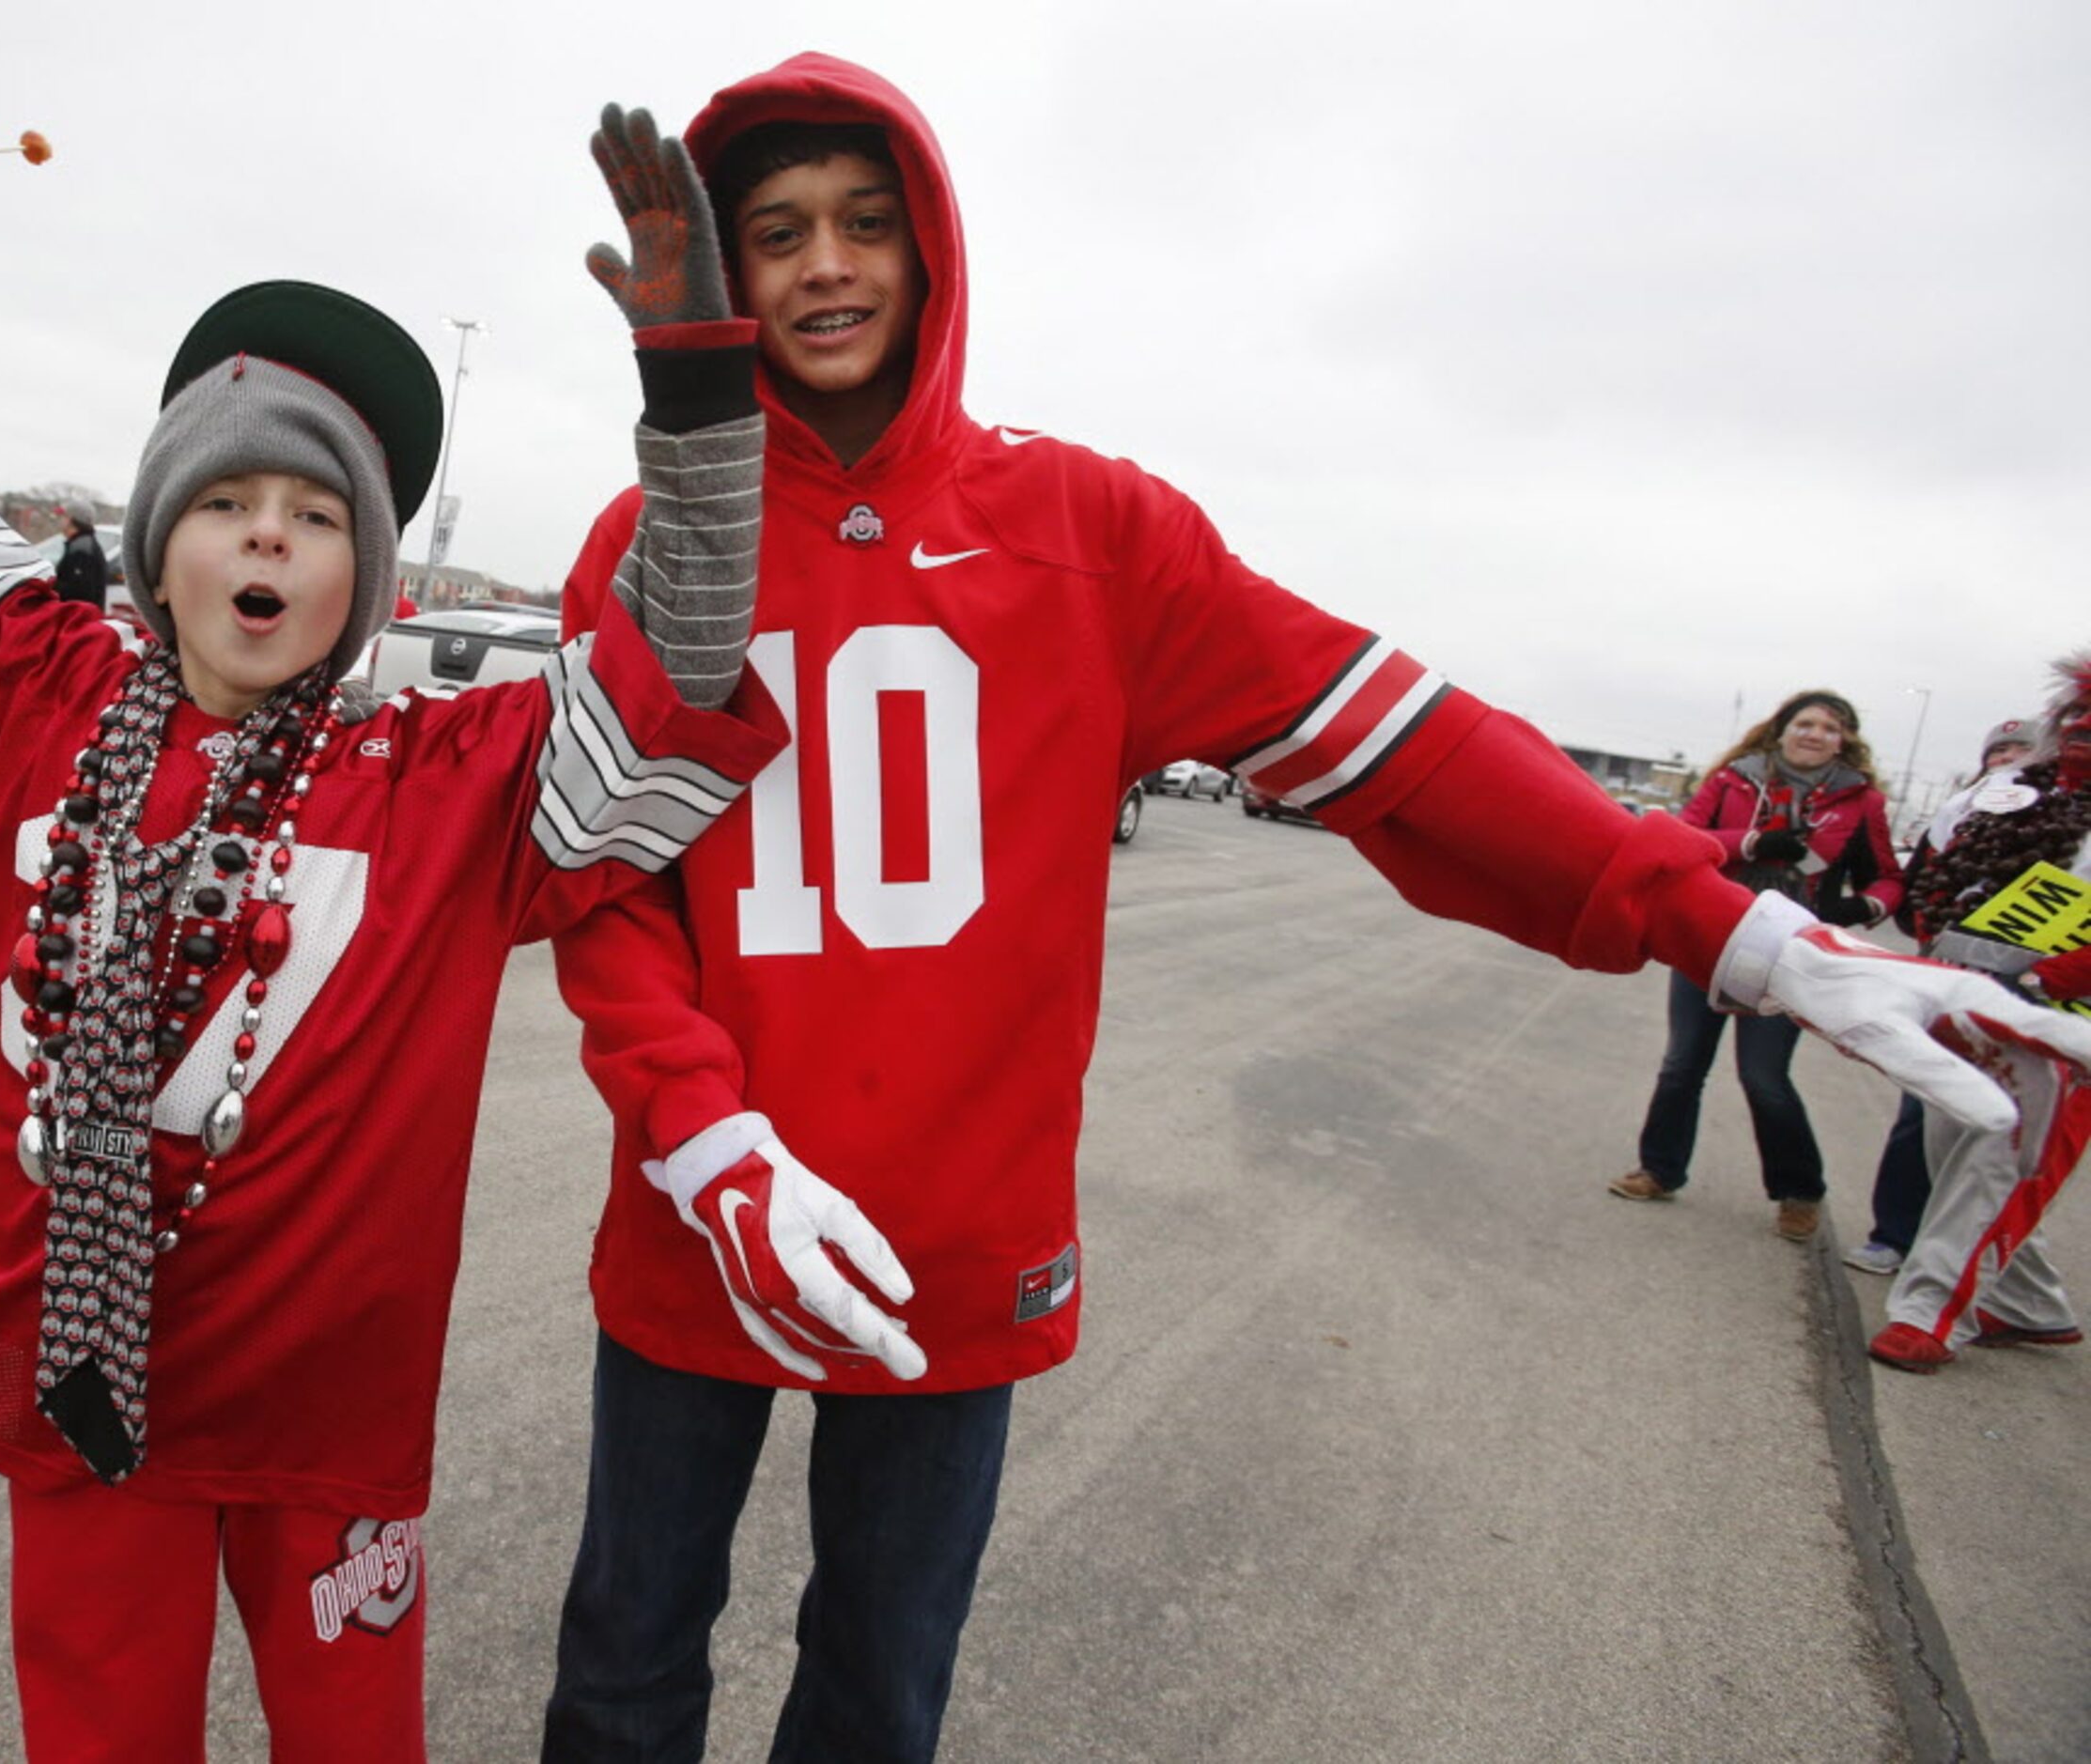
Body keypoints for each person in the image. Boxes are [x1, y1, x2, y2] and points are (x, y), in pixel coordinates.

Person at [536, 54, 2091, 1764]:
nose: (825, 263)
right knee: (621, 1665)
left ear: (933, 251)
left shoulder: (1090, 526)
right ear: (716, 265)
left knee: (876, 1685)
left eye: (862, 222)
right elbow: (599, 880)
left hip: (952, 1236)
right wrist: (701, 1140)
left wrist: (1735, 928)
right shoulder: (650, 529)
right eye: (774, 232)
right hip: (705, 1204)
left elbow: (1400, 742)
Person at [0, 108, 780, 1759]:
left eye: (318, 515)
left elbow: (677, 654)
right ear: (154, 549)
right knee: (97, 1732)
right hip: (78, 1391)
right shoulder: (25, 695)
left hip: (319, 1421)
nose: (270, 531)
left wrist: (694, 383)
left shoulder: (451, 781)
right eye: (228, 499)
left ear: (367, 581)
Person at [1607, 689, 1903, 1240]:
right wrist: (1750, 843)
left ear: (1845, 742)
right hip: (1711, 936)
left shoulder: (1862, 803)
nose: (1814, 734)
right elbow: (1683, 837)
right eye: (1805, 723)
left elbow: (1888, 878)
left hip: (1789, 950)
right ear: (1781, 729)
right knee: (1681, 1066)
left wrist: (1864, 906)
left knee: (1764, 1076)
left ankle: (1799, 1191)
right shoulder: (1733, 780)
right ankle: (1659, 1170)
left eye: (1830, 729)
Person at [1869, 658, 2091, 1371]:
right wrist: (1936, 933)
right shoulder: (2011, 792)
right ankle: (2031, 1305)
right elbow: (1936, 869)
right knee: (1951, 1156)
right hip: (1968, 997)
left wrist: (2040, 975)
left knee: (1996, 1159)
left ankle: (1928, 1315)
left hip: (2061, 1024)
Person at [1844, 715, 2043, 1277]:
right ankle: (1894, 1236)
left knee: (2016, 1130)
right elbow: (1916, 900)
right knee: (1923, 1108)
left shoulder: (2068, 825)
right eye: (1998, 753)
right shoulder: (1964, 819)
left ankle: (1986, 1259)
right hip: (1953, 982)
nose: (2008, 762)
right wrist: (1934, 925)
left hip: (2033, 995)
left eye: (2022, 753)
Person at [52, 505, 109, 611]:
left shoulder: (82, 548)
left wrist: (51, 587)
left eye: (63, 516)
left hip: (79, 619)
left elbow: (80, 591)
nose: (59, 520)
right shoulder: (81, 544)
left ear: (71, 520)